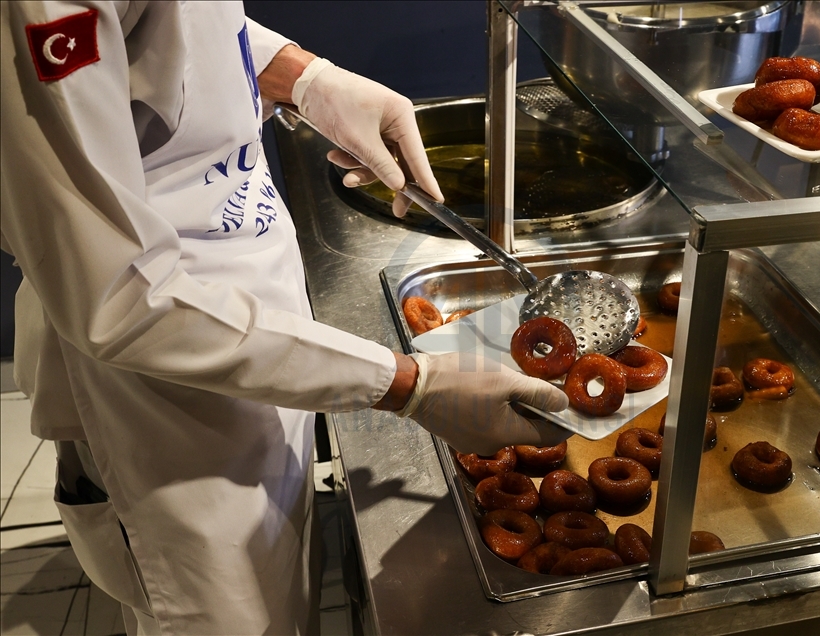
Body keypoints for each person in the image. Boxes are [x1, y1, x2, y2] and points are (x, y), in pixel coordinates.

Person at [0, 2, 570, 633]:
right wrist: (412, 385)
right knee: (233, 612)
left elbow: (166, 26)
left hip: (254, 296)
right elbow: (118, 296)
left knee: (290, 574)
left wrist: (298, 74)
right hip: (153, 393)